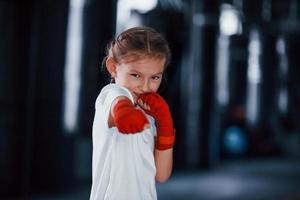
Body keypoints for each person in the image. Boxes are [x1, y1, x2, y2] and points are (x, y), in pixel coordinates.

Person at [89, 27, 175, 200]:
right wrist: (124, 112)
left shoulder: (147, 116)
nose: (144, 86)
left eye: (154, 78)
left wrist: (165, 123)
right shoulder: (111, 94)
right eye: (135, 75)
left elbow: (161, 175)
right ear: (113, 67)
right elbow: (118, 104)